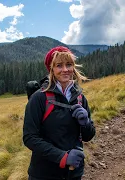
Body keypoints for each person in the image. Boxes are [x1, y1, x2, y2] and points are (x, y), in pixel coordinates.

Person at [23, 46, 96, 180]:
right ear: (51, 69)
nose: (65, 70)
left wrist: (86, 123)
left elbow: (88, 136)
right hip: (44, 174)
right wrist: (62, 157)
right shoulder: (39, 98)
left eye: (69, 65)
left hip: (73, 173)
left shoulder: (80, 98)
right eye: (59, 65)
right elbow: (30, 138)